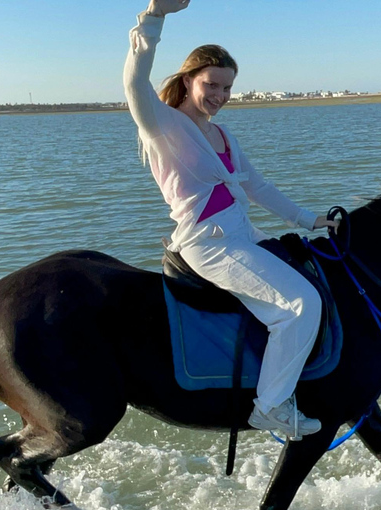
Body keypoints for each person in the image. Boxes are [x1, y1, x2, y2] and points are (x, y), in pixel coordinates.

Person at [123, 0, 336, 438]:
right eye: (212, 85)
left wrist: (310, 219)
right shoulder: (162, 125)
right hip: (211, 243)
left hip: (244, 234)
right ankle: (271, 406)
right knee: (300, 305)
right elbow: (133, 82)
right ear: (188, 80)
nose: (220, 96)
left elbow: (257, 187)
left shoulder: (222, 133)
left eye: (227, 88)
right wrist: (154, 16)